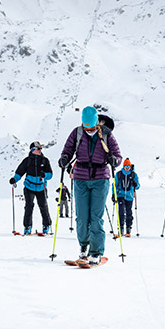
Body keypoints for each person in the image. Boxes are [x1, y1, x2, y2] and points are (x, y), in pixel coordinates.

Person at [58, 106, 122, 265]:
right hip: (80, 177)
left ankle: (96, 252)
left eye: (91, 126)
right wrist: (64, 158)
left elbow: (118, 155)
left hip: (100, 178)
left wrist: (115, 160)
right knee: (81, 217)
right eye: (86, 126)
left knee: (95, 217)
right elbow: (68, 150)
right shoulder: (77, 132)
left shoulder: (106, 134)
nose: (89, 129)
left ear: (96, 123)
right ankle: (83, 247)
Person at [9, 141, 53, 235]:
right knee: (29, 206)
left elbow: (50, 175)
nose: (40, 150)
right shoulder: (27, 161)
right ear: (32, 150)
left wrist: (44, 175)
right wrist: (14, 179)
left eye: (40, 148)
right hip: (29, 187)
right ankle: (27, 227)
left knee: (43, 206)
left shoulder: (45, 161)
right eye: (38, 148)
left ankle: (46, 225)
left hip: (41, 187)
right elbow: (19, 172)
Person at [112, 158, 140, 237]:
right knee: (121, 211)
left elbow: (138, 186)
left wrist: (135, 184)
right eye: (126, 166)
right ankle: (120, 228)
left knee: (128, 212)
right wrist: (114, 194)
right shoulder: (119, 174)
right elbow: (114, 184)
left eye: (128, 166)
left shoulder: (134, 175)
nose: (127, 167)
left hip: (129, 196)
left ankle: (128, 228)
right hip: (120, 195)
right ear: (123, 166)